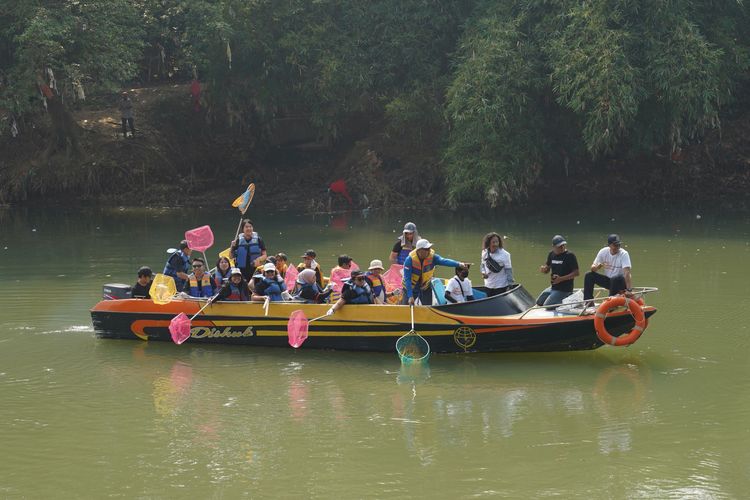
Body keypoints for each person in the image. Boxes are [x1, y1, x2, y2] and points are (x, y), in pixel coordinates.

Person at [402, 239, 468, 306]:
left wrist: (458, 264)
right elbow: (407, 279)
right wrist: (410, 296)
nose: (429, 251)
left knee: (428, 308)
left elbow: (444, 261)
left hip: (425, 287)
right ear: (419, 250)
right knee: (406, 308)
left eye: (429, 248)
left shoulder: (432, 257)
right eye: (426, 249)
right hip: (411, 288)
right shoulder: (409, 260)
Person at [584, 234, 632, 305]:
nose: (617, 247)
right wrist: (597, 267)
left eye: (619, 245)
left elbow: (627, 273)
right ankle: (589, 302)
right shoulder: (603, 252)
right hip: (609, 281)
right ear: (609, 245)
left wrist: (629, 290)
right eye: (615, 245)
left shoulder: (624, 254)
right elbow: (593, 268)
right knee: (589, 275)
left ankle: (610, 303)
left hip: (620, 282)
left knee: (615, 278)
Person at [536, 235, 580, 307]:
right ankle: (561, 298)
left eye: (563, 245)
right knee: (539, 302)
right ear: (553, 247)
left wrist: (561, 279)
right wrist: (544, 269)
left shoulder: (570, 255)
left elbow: (576, 273)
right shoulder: (551, 254)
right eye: (559, 246)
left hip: (565, 289)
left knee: (547, 306)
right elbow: (547, 269)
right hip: (553, 287)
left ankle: (568, 297)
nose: (562, 247)